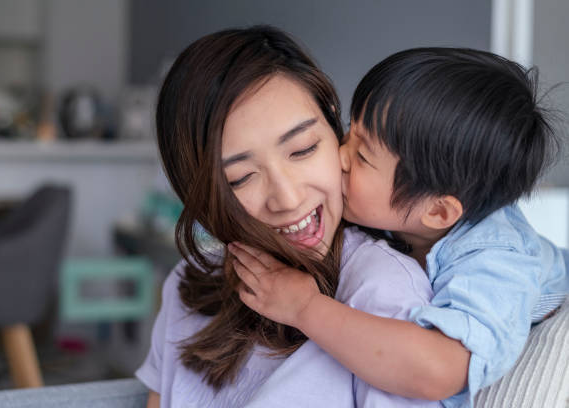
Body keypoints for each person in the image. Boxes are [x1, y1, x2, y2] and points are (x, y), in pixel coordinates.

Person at [230, 47, 569, 407]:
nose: (340, 156)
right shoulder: (401, 216)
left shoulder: (496, 261)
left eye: (361, 156)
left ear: (438, 212)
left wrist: (305, 308)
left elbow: (437, 370)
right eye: (350, 132)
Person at [136, 26, 446, 407]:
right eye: (241, 177)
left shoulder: (382, 292)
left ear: (335, 128)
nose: (287, 197)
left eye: (302, 149)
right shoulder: (189, 285)